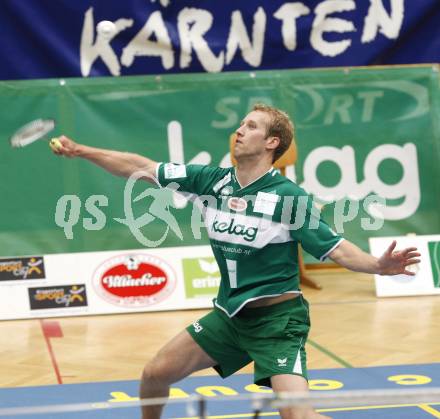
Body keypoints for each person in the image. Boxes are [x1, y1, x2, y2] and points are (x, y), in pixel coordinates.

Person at [53, 104, 420, 419]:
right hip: (229, 317)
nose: (238, 131)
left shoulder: (288, 198)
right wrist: (81, 150)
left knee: (296, 414)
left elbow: (335, 248)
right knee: (154, 374)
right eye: (240, 125)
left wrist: (377, 265)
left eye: (250, 126)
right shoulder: (212, 182)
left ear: (272, 142)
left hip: (277, 324)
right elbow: (142, 167)